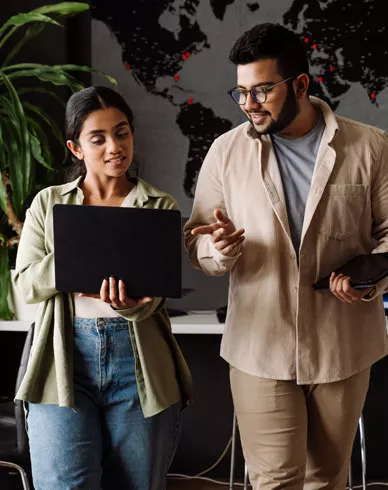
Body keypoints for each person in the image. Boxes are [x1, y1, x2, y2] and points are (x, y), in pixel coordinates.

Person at [184, 23, 388, 490]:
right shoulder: (225, 152)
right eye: (240, 92)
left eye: (260, 90)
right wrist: (217, 249)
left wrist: (367, 278)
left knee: (326, 480)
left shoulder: (370, 147)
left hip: (344, 346)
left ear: (300, 84)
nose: (248, 104)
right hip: (260, 347)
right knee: (275, 481)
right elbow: (195, 240)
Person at [14, 86, 192, 490]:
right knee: (64, 483)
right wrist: (80, 255)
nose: (115, 146)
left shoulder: (158, 206)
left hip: (138, 361)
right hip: (64, 358)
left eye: (122, 133)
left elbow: (157, 294)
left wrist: (131, 305)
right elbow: (26, 285)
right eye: (98, 138)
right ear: (76, 149)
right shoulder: (48, 204)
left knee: (135, 484)